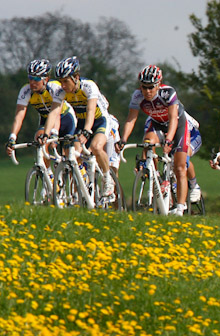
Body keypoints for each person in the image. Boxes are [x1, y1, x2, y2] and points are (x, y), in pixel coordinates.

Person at [116, 65, 199, 216]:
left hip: (178, 125)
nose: (147, 91)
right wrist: (123, 139)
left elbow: (174, 118)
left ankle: (180, 207)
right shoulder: (137, 96)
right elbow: (131, 119)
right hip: (158, 124)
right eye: (144, 87)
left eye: (151, 87)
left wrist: (168, 140)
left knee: (180, 167)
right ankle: (153, 173)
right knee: (147, 141)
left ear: (159, 84)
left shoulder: (168, 93)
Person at [46, 56, 115, 197]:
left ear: (76, 77)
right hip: (82, 123)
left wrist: (87, 131)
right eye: (60, 82)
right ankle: (81, 189)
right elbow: (53, 113)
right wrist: (46, 134)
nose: (63, 85)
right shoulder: (61, 91)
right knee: (75, 154)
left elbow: (91, 110)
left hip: (99, 120)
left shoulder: (89, 86)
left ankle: (108, 178)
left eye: (66, 81)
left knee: (96, 147)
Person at [6, 59, 77, 163]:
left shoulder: (55, 88)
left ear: (46, 79)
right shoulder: (26, 91)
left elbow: (56, 114)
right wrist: (12, 137)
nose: (32, 82)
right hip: (46, 120)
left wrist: (54, 133)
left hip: (65, 119)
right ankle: (48, 174)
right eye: (30, 78)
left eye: (36, 78)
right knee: (39, 141)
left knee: (69, 157)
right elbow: (19, 116)